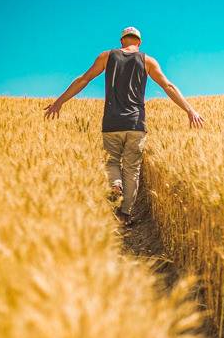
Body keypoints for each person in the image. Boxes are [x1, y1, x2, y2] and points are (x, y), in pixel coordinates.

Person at [43, 26, 204, 225]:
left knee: (111, 162)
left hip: (112, 122)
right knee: (132, 169)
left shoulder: (106, 56)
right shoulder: (148, 60)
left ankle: (115, 183)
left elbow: (84, 79)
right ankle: (125, 214)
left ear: (122, 41)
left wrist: (60, 101)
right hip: (136, 124)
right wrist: (190, 110)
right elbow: (168, 86)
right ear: (139, 42)